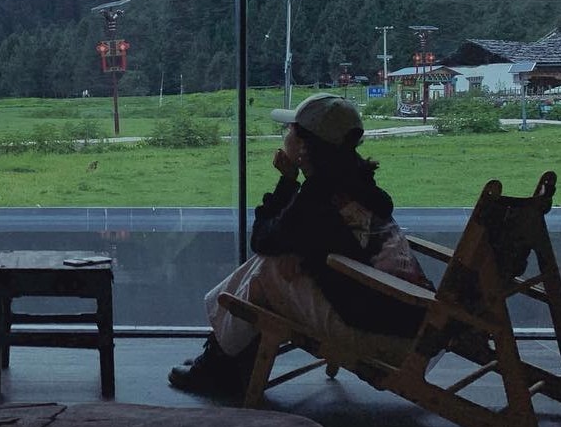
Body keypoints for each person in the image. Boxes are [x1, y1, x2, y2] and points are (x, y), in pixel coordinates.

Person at [169, 92, 431, 396]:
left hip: (377, 332)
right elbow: (330, 243)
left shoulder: (318, 198)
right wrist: (301, 254)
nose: (285, 135)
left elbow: (263, 239)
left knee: (266, 267)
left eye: (290, 130)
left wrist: (287, 181)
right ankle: (223, 359)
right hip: (407, 321)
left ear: (305, 146)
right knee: (277, 260)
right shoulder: (358, 184)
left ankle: (219, 363)